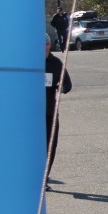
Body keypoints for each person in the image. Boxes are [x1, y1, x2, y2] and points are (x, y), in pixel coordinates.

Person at [44, 33, 72, 191]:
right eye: (41, 45)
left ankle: (44, 177)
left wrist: (61, 87)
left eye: (47, 44)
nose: (44, 47)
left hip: (50, 113)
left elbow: (67, 84)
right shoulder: (30, 63)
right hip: (32, 115)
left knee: (50, 146)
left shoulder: (55, 63)